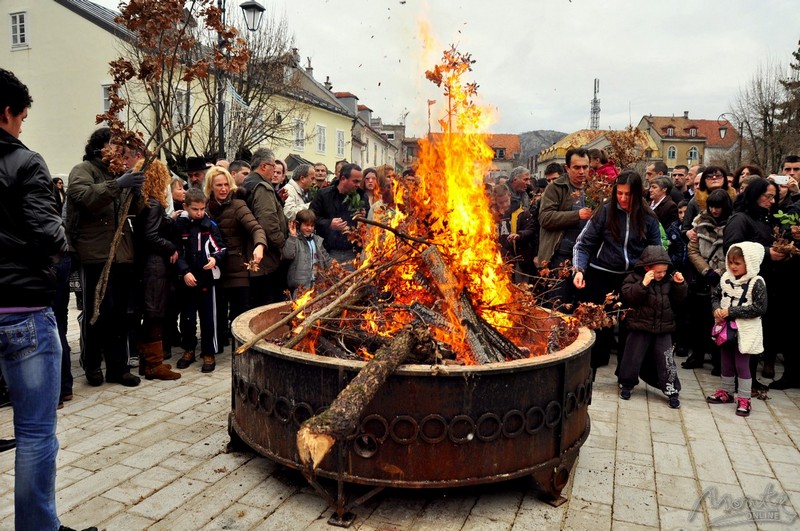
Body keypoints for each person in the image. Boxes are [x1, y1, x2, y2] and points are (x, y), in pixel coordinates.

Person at [0, 67, 98, 531]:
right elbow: (46, 234)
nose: (22, 127)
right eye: (21, 118)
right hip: (21, 311)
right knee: (36, 434)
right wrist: (58, 237)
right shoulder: (26, 162)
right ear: (7, 113)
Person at [66, 127, 142, 388]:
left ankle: (118, 368)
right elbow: (84, 197)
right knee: (95, 312)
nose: (120, 151)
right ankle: (92, 364)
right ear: (100, 147)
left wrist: (136, 189)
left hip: (121, 254)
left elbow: (135, 211)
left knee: (120, 314)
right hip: (95, 254)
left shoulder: (118, 171)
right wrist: (117, 184)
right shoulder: (83, 170)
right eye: (114, 145)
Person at [572, 171, 663, 375]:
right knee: (597, 324)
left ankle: (625, 375)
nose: (622, 198)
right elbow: (583, 244)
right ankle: (589, 369)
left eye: (628, 194)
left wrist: (652, 271)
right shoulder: (605, 211)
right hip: (601, 274)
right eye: (619, 193)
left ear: (638, 194)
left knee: (628, 327)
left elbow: (656, 249)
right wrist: (579, 269)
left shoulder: (648, 218)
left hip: (632, 278)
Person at [204, 166, 266, 346]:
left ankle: (242, 348)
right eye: (218, 185)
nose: (223, 189)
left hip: (238, 269)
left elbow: (256, 228)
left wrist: (260, 245)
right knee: (219, 313)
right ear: (211, 187)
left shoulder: (238, 205)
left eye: (226, 184)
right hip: (215, 269)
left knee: (240, 313)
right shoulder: (206, 207)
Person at [131, 159, 181, 380]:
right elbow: (150, 235)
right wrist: (170, 246)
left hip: (146, 263)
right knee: (155, 313)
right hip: (154, 265)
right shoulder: (153, 203)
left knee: (152, 313)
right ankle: (153, 364)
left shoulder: (142, 200)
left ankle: (148, 362)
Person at [618, 245, 686, 408]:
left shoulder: (668, 280)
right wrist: (644, 283)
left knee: (666, 360)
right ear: (647, 267)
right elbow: (629, 297)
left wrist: (680, 285)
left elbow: (679, 301)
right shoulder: (634, 278)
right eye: (658, 272)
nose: (662, 275)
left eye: (664, 271)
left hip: (664, 328)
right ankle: (626, 384)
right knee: (632, 357)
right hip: (640, 326)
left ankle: (671, 389)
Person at [707, 243, 767, 417]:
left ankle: (744, 398)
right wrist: (716, 308)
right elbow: (715, 296)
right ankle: (726, 392)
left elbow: (759, 307)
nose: (733, 266)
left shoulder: (757, 282)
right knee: (725, 360)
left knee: (742, 364)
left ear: (750, 263)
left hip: (745, 330)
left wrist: (732, 311)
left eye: (738, 263)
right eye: (731, 262)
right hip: (725, 328)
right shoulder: (726, 277)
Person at [173, 188, 227, 373]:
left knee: (208, 318)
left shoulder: (210, 225)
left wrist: (215, 259)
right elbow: (176, 252)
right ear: (185, 206)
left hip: (207, 280)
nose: (199, 213)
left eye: (202, 208)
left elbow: (220, 247)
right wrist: (184, 272)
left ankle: (208, 352)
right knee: (187, 318)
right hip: (187, 279)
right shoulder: (179, 226)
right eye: (195, 209)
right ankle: (188, 349)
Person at [682, 189, 733, 373]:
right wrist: (706, 270)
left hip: (724, 278)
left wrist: (720, 272)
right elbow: (693, 249)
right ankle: (697, 355)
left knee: (718, 320)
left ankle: (718, 359)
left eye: (718, 206)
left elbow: (736, 253)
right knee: (698, 320)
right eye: (711, 206)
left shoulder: (733, 224)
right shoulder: (699, 222)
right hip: (702, 277)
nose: (714, 210)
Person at [538, 148, 593, 308]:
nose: (582, 171)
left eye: (585, 167)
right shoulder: (556, 188)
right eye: (577, 167)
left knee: (582, 308)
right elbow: (545, 218)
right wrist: (576, 215)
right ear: (567, 168)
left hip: (588, 258)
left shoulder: (595, 189)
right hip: (561, 258)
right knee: (558, 307)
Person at [242, 148, 289, 306]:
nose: (274, 172)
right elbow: (268, 223)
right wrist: (282, 243)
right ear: (263, 166)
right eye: (272, 167)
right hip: (265, 259)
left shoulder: (247, 183)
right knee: (265, 307)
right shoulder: (262, 187)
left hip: (252, 254)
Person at [310, 162, 366, 264]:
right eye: (355, 181)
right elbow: (311, 219)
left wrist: (363, 218)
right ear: (343, 179)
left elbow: (367, 226)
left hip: (353, 253)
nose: (358, 185)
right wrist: (329, 224)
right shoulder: (324, 195)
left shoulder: (362, 196)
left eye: (359, 181)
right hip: (328, 251)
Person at [282, 209, 332, 295]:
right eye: (306, 225)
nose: (309, 228)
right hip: (300, 287)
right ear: (298, 225)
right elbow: (287, 255)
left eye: (312, 226)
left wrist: (336, 267)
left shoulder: (317, 240)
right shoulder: (295, 240)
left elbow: (326, 258)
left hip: (317, 284)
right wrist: (293, 236)